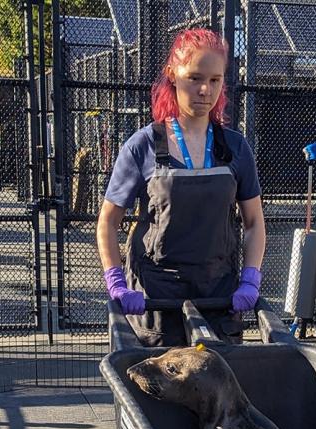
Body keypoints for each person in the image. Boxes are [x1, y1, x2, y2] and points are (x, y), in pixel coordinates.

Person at [96, 29, 267, 347]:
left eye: (215, 80)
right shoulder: (143, 146)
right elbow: (108, 221)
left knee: (215, 392)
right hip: (158, 301)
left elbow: (254, 222)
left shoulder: (235, 147)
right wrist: (116, 282)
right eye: (195, 78)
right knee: (159, 392)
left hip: (218, 298)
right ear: (172, 76)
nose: (205, 90)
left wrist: (251, 279)